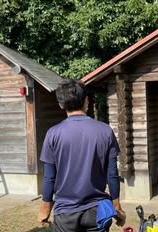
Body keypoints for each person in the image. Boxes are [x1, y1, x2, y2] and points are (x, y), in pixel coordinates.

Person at [38, 79, 126, 232]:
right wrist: (116, 205)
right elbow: (112, 174)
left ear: (61, 104)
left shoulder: (53, 134)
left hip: (65, 212)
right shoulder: (105, 131)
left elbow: (49, 177)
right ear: (86, 100)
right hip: (97, 211)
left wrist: (45, 207)